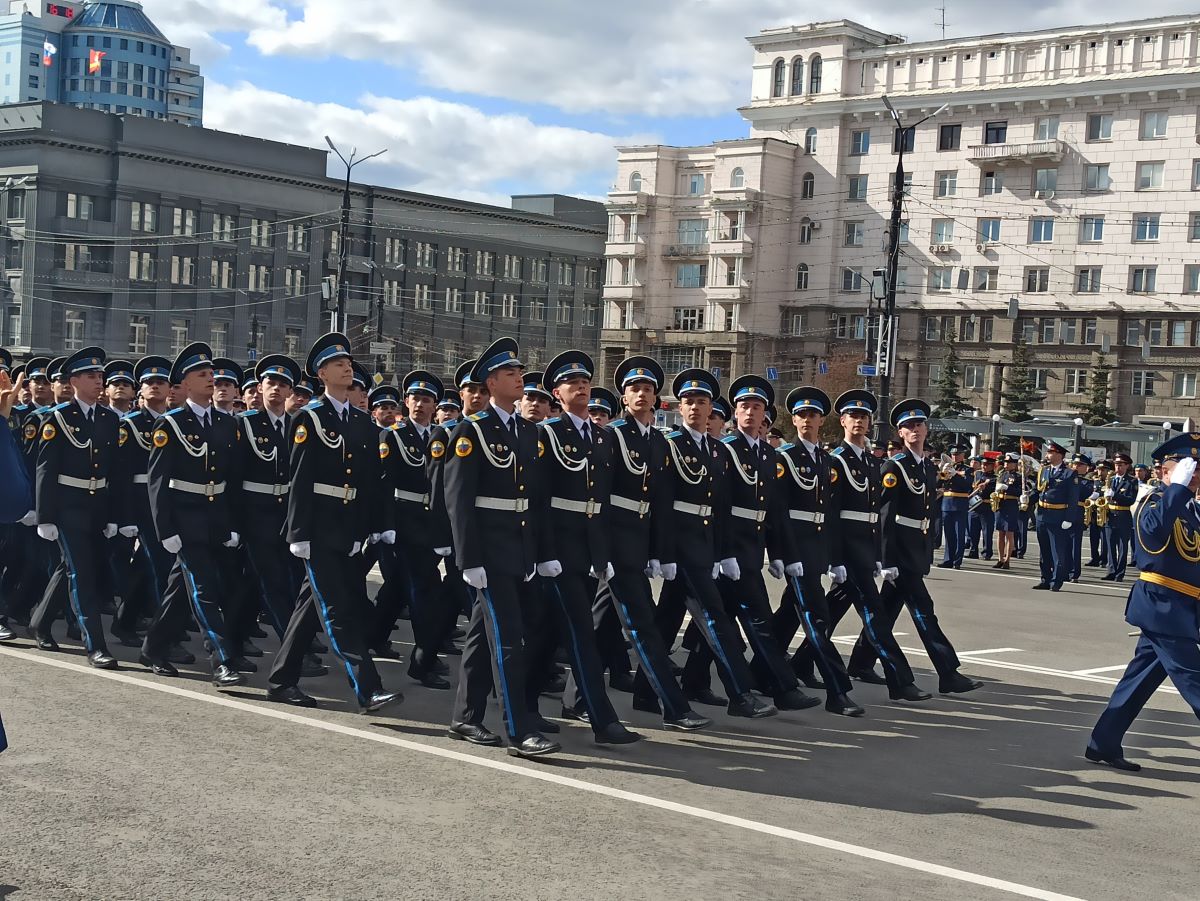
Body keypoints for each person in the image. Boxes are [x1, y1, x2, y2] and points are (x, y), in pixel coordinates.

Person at [265, 334, 401, 713]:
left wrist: (373, 526)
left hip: (349, 528)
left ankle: (280, 680)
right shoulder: (309, 418)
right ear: (322, 373)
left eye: (349, 363)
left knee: (311, 606)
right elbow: (300, 478)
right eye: (338, 364)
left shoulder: (362, 422)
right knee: (338, 611)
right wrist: (299, 532)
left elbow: (372, 482)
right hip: (319, 527)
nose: (347, 367)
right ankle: (368, 688)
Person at [443, 338, 561, 758]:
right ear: (492, 383)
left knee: (481, 636)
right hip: (490, 555)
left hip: (521, 550)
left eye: (520, 373)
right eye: (512, 374)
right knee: (509, 641)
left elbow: (537, 500)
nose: (520, 379)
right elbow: (458, 501)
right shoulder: (470, 431)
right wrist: (468, 558)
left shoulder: (529, 432)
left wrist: (543, 553)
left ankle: (465, 717)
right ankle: (519, 729)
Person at [654, 369, 783, 718]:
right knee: (715, 619)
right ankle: (740, 695)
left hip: (704, 543)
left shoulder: (715, 450)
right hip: (680, 544)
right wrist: (662, 552)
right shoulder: (669, 445)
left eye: (703, 402)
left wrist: (722, 553)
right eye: (689, 402)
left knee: (665, 622)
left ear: (712, 409)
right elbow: (662, 504)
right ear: (679, 408)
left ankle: (643, 691)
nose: (696, 407)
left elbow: (720, 507)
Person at [533, 349, 640, 744]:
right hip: (558, 547)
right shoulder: (547, 434)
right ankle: (602, 720)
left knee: (547, 635)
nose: (581, 386)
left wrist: (603, 554)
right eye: (571, 382)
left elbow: (603, 499)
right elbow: (539, 499)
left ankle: (524, 704)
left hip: (588, 548)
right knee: (580, 632)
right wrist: (543, 553)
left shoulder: (602, 436)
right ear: (556, 393)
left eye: (585, 381)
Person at [795, 389, 929, 702]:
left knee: (829, 612)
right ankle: (901, 681)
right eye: (853, 416)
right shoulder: (835, 461)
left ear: (870, 423)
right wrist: (835, 558)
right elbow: (830, 513)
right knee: (875, 614)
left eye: (864, 417)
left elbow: (875, 516)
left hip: (864, 551)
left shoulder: (871, 462)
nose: (858, 421)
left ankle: (799, 663)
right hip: (847, 553)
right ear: (841, 421)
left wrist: (880, 555)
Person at [845, 399, 983, 696]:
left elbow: (927, 512)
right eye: (908, 427)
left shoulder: (927, 468)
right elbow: (884, 514)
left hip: (915, 548)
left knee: (886, 611)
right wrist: (886, 557)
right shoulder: (895, 466)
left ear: (926, 430)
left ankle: (860, 662)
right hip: (900, 552)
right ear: (900, 433)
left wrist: (930, 544)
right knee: (923, 610)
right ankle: (948, 672)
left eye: (919, 425)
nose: (915, 430)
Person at [608, 356, 712, 731]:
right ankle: (675, 707)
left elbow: (657, 503)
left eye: (648, 389)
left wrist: (658, 552)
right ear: (624, 397)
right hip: (615, 542)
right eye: (635, 389)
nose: (641, 394)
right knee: (642, 625)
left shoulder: (655, 439)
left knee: (594, 623)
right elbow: (600, 496)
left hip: (639, 540)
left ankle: (572, 696)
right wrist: (600, 550)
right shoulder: (613, 435)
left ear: (656, 399)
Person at [1085, 434, 1200, 772]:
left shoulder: (1190, 510)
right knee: (1195, 680)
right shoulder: (1154, 502)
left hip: (1180, 609)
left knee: (1140, 680)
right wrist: (1177, 491)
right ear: (1166, 474)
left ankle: (1102, 741)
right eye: (1187, 469)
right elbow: (1151, 537)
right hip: (1161, 606)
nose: (1194, 475)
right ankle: (1102, 741)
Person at [139, 342, 246, 688]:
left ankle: (153, 647)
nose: (211, 379)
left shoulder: (226, 423)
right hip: (184, 520)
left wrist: (231, 525)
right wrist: (164, 527)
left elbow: (230, 480)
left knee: (180, 590)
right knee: (204, 589)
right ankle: (222, 661)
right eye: (202, 374)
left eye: (211, 373)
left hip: (214, 517)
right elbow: (157, 481)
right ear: (183, 384)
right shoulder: (171, 424)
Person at [767, 386, 863, 717]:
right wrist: (780, 553)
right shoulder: (785, 458)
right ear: (793, 420)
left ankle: (759, 671)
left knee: (787, 615)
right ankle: (839, 691)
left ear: (822, 421)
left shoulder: (824, 459)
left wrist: (835, 559)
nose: (807, 420)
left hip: (817, 548)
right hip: (796, 549)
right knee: (816, 616)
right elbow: (777, 510)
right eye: (802, 415)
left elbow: (829, 514)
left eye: (813, 415)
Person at [28, 347, 121, 668]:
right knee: (83, 574)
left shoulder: (109, 418)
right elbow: (45, 469)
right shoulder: (59, 418)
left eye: (100, 376)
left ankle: (40, 622)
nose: (99, 382)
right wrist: (46, 515)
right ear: (75, 381)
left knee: (71, 568)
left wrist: (114, 516)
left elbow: (114, 472)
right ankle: (95, 645)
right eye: (92, 377)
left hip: (98, 506)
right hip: (68, 506)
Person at [376, 369, 454, 689]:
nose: (419, 405)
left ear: (435, 405)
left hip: (430, 521)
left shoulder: (439, 436)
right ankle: (424, 661)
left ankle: (373, 634)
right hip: (403, 520)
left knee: (397, 588)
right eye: (415, 398)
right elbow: (383, 483)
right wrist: (385, 525)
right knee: (424, 590)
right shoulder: (393, 435)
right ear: (404, 402)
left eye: (426, 400)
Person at [1032, 440, 1079, 592]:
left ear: (1060, 455)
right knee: (1044, 550)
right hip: (1042, 515)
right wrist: (1027, 498)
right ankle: (1045, 578)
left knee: (1057, 551)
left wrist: (1069, 518)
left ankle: (1056, 580)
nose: (1048, 454)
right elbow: (1039, 491)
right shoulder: (1044, 471)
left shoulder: (1069, 473)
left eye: (1051, 452)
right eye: (1048, 452)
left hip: (1058, 516)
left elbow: (1073, 498)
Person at [1102, 453, 1138, 582]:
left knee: (1122, 546)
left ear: (1127, 466)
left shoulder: (1132, 481)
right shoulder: (1111, 479)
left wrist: (1115, 495)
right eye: (1116, 464)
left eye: (1121, 465)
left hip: (1123, 515)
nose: (1118, 467)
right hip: (1110, 515)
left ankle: (1120, 573)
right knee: (1110, 544)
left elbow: (1131, 500)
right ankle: (1111, 570)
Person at [938, 444, 972, 569]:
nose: (954, 456)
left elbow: (968, 484)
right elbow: (939, 483)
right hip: (947, 503)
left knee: (959, 534)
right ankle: (948, 559)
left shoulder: (968, 469)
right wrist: (941, 471)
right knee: (948, 534)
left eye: (957, 454)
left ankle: (957, 561)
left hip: (960, 503)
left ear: (963, 455)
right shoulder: (947, 467)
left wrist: (956, 474)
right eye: (953, 454)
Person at [992, 453, 1023, 569]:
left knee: (1009, 533)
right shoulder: (1002, 474)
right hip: (1001, 504)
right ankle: (1000, 558)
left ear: (1014, 464)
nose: (1006, 464)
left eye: (1009, 463)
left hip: (1011, 504)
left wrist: (1007, 488)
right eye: (1005, 462)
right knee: (1000, 533)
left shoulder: (1019, 477)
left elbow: (1020, 491)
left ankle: (1007, 559)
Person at [1067, 454, 1094, 583]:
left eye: (1080, 465)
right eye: (1075, 464)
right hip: (1064, 513)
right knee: (1062, 544)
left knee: (1074, 545)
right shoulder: (1067, 478)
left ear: (1086, 468)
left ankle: (1074, 573)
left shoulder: (1087, 482)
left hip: (1077, 514)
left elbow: (1081, 493)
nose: (1076, 467)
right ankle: (1063, 570)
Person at [966, 455, 997, 561]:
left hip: (986, 506)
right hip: (975, 505)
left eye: (987, 465)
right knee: (972, 530)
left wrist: (986, 487)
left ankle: (987, 552)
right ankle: (973, 551)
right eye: (983, 464)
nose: (984, 466)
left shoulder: (995, 478)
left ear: (992, 466)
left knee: (987, 531)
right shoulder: (977, 474)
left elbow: (994, 491)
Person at [1087, 460, 1111, 568]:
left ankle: (1104, 558)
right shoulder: (1094, 481)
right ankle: (1094, 558)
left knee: (1104, 538)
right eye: (1099, 470)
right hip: (1094, 512)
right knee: (1094, 537)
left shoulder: (1109, 482)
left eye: (1103, 470)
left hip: (1105, 513)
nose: (1100, 472)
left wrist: (1101, 494)